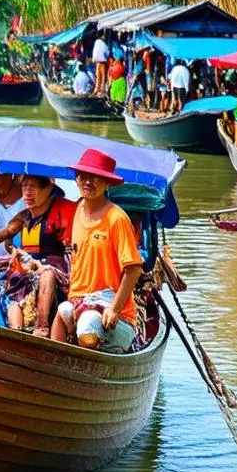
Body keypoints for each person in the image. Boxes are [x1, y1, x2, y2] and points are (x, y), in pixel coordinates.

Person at [51, 149, 143, 353]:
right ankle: (56, 366)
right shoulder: (75, 212)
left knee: (88, 326)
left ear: (106, 182)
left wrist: (114, 308)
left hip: (113, 310)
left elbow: (134, 269)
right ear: (76, 179)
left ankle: (91, 358)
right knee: (62, 311)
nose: (88, 181)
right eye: (83, 176)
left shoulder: (116, 219)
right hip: (79, 300)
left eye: (95, 177)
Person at [0, 175, 77, 337]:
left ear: (48, 189)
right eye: (24, 187)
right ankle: (16, 336)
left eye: (32, 187)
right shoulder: (24, 216)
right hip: (28, 267)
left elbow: (72, 246)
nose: (27, 193)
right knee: (13, 282)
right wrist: (14, 251)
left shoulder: (62, 209)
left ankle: (41, 327)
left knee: (47, 275)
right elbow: (3, 237)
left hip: (56, 268)